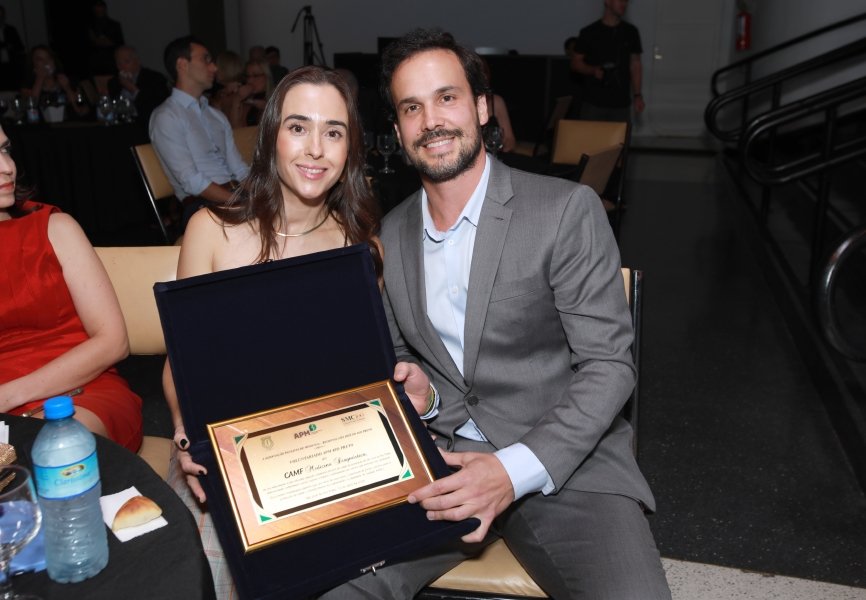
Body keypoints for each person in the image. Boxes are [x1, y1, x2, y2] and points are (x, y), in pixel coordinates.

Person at [319, 29, 670, 599]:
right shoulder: (389, 235)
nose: (431, 120)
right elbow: (410, 359)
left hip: (566, 460)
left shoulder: (563, 211)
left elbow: (609, 366)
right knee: (332, 587)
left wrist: (512, 471)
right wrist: (423, 396)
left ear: (482, 108)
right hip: (441, 458)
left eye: (447, 97)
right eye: (412, 107)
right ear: (399, 127)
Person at [162, 65, 432, 596]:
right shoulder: (212, 230)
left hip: (318, 444)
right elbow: (181, 361)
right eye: (298, 127)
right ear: (270, 138)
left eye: (333, 132)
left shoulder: (361, 248)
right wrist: (182, 429)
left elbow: (360, 372)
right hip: (224, 438)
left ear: (350, 148)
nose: (315, 150)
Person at [0, 125, 142, 452]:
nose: (8, 166)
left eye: (6, 150)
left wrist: (8, 396)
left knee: (52, 453)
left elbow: (113, 342)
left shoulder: (53, 228)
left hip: (80, 390)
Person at [149, 36, 249, 231]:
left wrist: (267, 194)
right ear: (182, 64)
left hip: (232, 197)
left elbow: (240, 170)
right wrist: (243, 203)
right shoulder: (166, 116)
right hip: (202, 207)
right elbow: (192, 182)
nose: (214, 68)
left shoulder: (216, 115)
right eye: (206, 59)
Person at [570, 0, 645, 122]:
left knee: (619, 141)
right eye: (620, 0)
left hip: (621, 105)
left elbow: (635, 64)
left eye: (626, 1)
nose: (624, 4)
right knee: (591, 141)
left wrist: (637, 95)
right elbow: (575, 63)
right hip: (593, 104)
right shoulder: (589, 32)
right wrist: (592, 70)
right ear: (607, 1)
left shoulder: (631, 32)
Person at [107, 45, 169, 126]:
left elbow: (156, 108)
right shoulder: (113, 82)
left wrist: (133, 89)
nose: (122, 67)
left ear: (137, 61)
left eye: (126, 62)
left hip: (148, 125)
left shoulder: (155, 78)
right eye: (119, 63)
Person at [22, 45, 90, 119]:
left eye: (49, 58)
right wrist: (40, 79)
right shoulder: (28, 86)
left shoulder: (69, 81)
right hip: (41, 128)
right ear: (33, 65)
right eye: (40, 59)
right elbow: (30, 109)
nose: (46, 62)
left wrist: (67, 88)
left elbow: (81, 111)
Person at [87, 0, 124, 76]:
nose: (100, 14)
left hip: (112, 61)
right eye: (97, 11)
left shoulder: (114, 25)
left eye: (101, 11)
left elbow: (120, 43)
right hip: (96, 62)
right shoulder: (90, 27)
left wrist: (110, 43)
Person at [0, 5, 25, 90]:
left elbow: (20, 47)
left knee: (13, 88)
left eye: (1, 16)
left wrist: (12, 47)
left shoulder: (11, 30)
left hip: (12, 66)